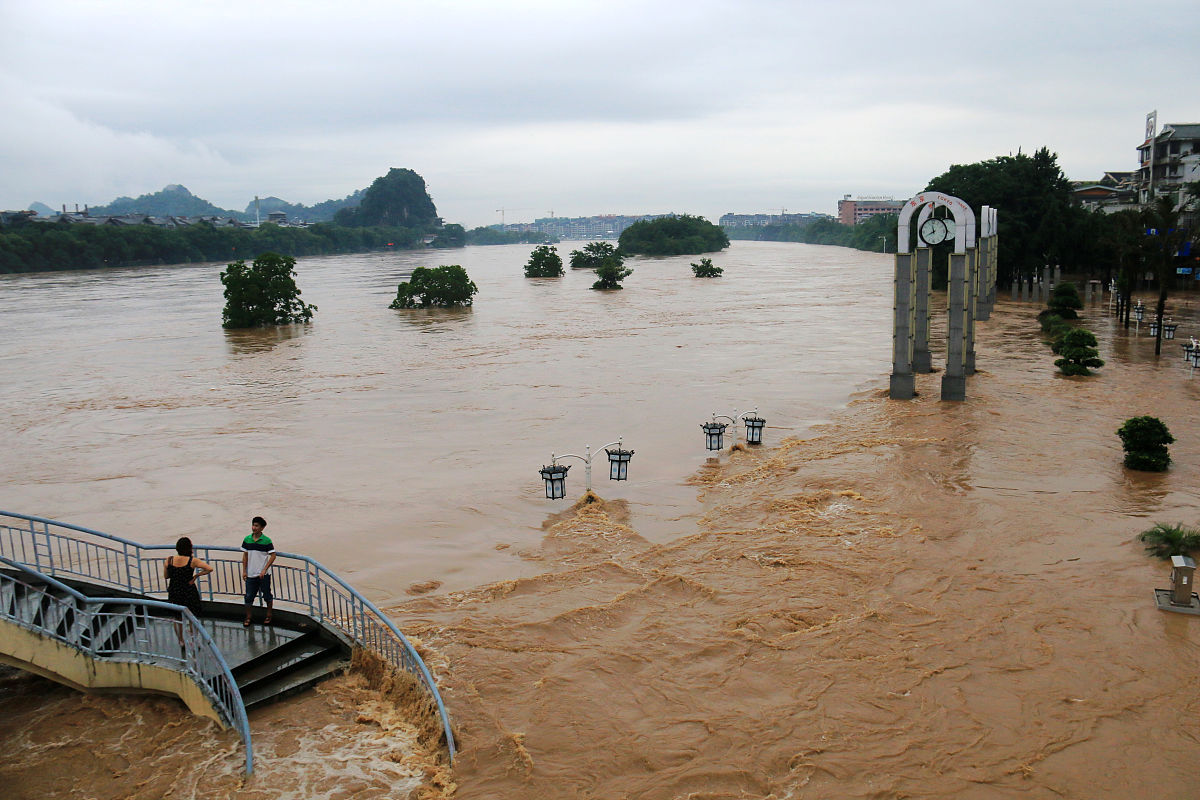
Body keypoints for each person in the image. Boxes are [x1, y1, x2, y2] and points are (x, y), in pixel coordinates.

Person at [164, 536, 214, 645]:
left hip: (174, 590)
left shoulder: (169, 560)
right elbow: (209, 568)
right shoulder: (193, 561)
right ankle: (193, 641)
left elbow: (166, 576)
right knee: (192, 617)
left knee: (177, 617)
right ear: (189, 548)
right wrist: (196, 575)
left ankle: (181, 641)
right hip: (189, 590)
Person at [241, 515, 276, 626]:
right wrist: (244, 571)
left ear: (262, 528)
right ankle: (248, 617)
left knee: (267, 595)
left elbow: (273, 555)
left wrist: (264, 570)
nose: (254, 528)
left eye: (256, 526)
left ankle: (269, 615)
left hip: (263, 575)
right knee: (248, 596)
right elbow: (245, 556)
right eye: (253, 525)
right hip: (251, 574)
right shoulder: (247, 539)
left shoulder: (266, 541)